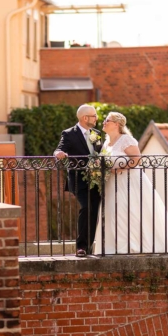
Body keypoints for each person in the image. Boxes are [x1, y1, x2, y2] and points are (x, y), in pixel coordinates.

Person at [93, 112, 168, 255]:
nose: (104, 122)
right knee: (113, 213)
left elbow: (137, 159)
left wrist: (119, 169)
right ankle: (116, 246)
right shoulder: (106, 142)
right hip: (112, 184)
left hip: (128, 182)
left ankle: (134, 246)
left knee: (130, 211)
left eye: (107, 120)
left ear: (117, 124)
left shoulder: (126, 140)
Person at [54, 104, 103, 257]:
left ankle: (89, 246)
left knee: (94, 211)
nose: (96, 118)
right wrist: (59, 153)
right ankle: (81, 247)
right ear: (85, 118)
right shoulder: (69, 133)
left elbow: (101, 153)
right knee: (87, 207)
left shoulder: (97, 133)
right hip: (78, 180)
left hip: (96, 180)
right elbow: (59, 148)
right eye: (94, 116)